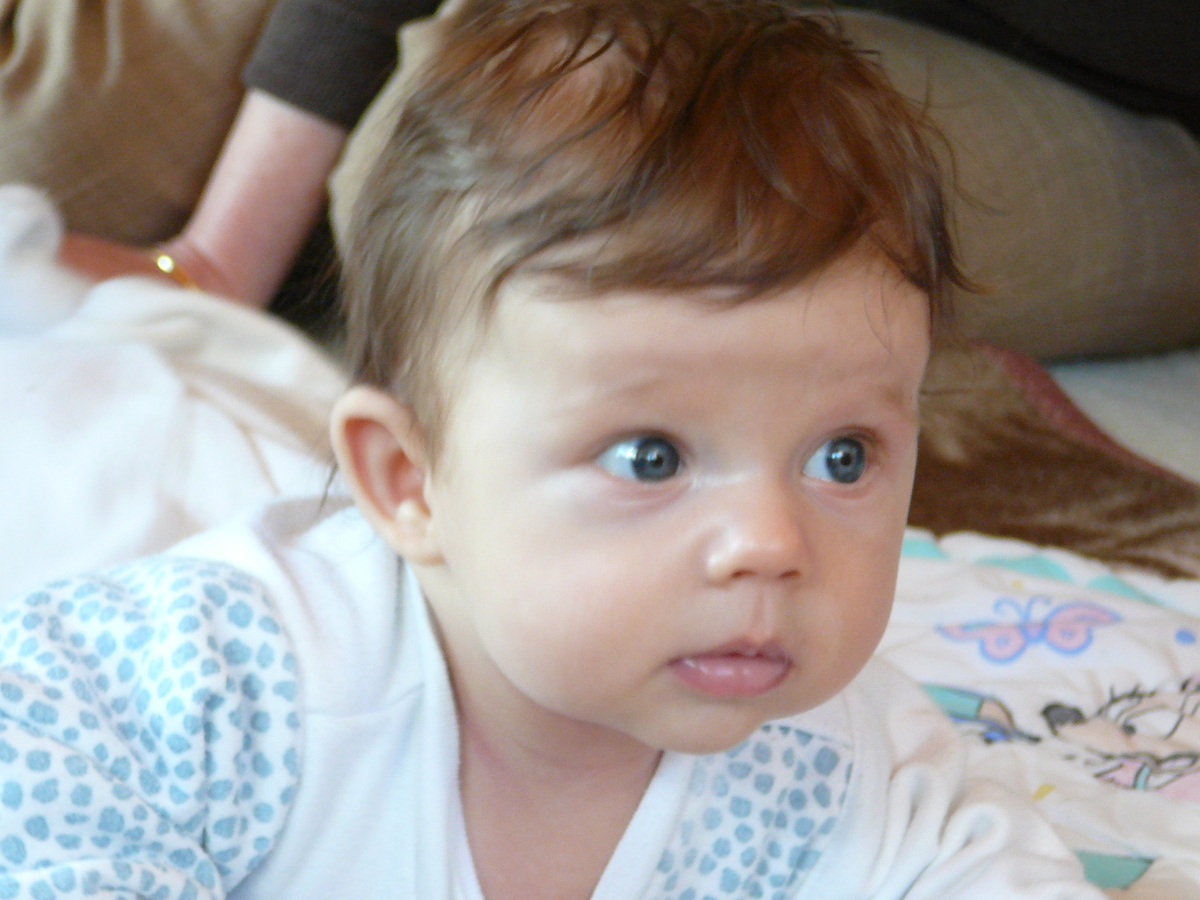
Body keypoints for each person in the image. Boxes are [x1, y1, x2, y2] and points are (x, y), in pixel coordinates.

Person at [0, 3, 1107, 896]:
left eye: (844, 458)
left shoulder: (842, 763)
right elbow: (36, 760)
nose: (772, 545)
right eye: (651, 459)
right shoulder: (239, 681)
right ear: (409, 481)